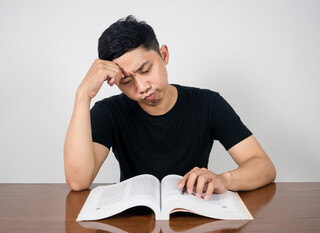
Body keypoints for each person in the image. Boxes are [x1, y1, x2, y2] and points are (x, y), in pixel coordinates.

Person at [64, 15, 276, 200]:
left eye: (146, 70)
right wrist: (83, 95)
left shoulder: (208, 104)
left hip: (194, 217)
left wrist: (225, 179)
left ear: (164, 55)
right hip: (134, 223)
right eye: (126, 82)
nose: (142, 87)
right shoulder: (108, 113)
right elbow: (78, 181)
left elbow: (264, 167)